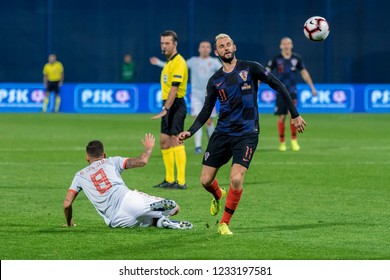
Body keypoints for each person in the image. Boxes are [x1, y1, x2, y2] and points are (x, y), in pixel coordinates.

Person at [179, 34, 307, 235]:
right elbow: (206, 110)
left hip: (247, 133)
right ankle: (218, 193)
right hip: (222, 133)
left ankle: (224, 223)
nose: (226, 48)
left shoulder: (251, 68)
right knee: (205, 180)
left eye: (228, 44)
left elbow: (278, 85)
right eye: (222, 46)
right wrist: (191, 130)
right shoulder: (215, 80)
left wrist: (295, 114)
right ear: (217, 52)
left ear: (234, 47)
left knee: (236, 179)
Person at [63, 133, 192, 229]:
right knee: (175, 208)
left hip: (116, 220)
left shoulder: (79, 176)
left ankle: (161, 222)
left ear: (86, 157)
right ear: (104, 155)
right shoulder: (112, 161)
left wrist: (70, 223)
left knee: (146, 221)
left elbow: (67, 204)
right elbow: (141, 161)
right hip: (128, 200)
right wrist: (148, 148)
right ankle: (160, 211)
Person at [150, 41, 221, 155]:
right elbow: (174, 66)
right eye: (202, 46)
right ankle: (198, 146)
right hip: (196, 94)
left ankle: (212, 145)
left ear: (210, 49)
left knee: (208, 121)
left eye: (207, 47)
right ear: (199, 49)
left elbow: (225, 71)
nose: (205, 49)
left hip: (210, 95)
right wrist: (159, 63)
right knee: (196, 118)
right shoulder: (193, 61)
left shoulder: (214, 62)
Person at [150, 30, 188, 190]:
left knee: (175, 140)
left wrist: (166, 108)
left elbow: (174, 89)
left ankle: (181, 181)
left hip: (176, 104)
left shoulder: (179, 62)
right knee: (164, 141)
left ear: (175, 44)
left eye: (167, 43)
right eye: (162, 43)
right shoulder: (168, 62)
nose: (164, 46)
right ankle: (169, 178)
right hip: (168, 104)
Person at [266, 37, 316, 152]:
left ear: (292, 45)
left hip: (292, 91)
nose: (286, 46)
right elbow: (267, 70)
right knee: (281, 117)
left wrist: (312, 87)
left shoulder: (296, 58)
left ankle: (294, 141)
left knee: (292, 116)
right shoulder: (276, 59)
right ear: (280, 46)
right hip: (280, 91)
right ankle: (282, 142)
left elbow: (304, 72)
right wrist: (259, 79)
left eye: (288, 43)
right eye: (284, 44)